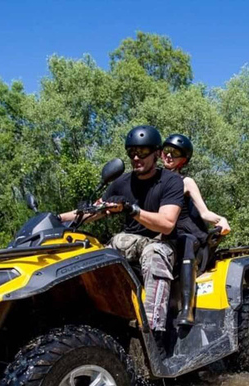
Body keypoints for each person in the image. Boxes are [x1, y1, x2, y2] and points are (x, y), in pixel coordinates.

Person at [60, 125, 184, 338]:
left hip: (163, 243)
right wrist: (58, 218)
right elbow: (95, 211)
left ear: (156, 153)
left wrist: (131, 209)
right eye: (132, 152)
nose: (137, 157)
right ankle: (94, 321)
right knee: (97, 253)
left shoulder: (171, 181)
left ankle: (154, 332)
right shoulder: (121, 183)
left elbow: (167, 223)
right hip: (130, 241)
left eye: (143, 152)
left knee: (154, 253)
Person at [161, 133, 230, 326]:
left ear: (183, 160)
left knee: (186, 241)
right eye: (166, 151)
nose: (169, 156)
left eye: (175, 153)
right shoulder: (155, 182)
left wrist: (221, 220)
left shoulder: (186, 182)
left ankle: (187, 309)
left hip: (191, 240)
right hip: (167, 238)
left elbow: (205, 213)